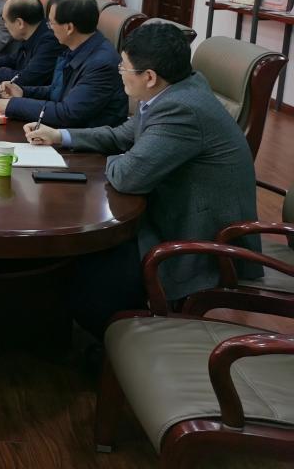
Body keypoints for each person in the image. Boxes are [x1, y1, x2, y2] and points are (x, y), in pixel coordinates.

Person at [25, 23, 262, 338]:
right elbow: (124, 135)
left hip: (197, 237)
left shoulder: (181, 109)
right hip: (171, 208)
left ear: (149, 76)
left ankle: (108, 334)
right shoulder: (177, 88)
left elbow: (128, 177)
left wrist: (119, 160)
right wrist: (61, 136)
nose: (120, 72)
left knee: (90, 266)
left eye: (123, 67)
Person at [0, 0, 127, 128]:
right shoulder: (76, 47)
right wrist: (23, 92)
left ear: (69, 28)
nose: (49, 28)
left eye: (51, 23)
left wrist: (14, 105)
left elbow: (68, 113)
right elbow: (58, 91)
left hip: (87, 137)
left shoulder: (101, 64)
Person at [0, 0, 62, 85]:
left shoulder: (50, 41)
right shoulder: (31, 33)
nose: (5, 25)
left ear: (19, 23)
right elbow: (14, 59)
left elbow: (28, 79)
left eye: (5, 21)